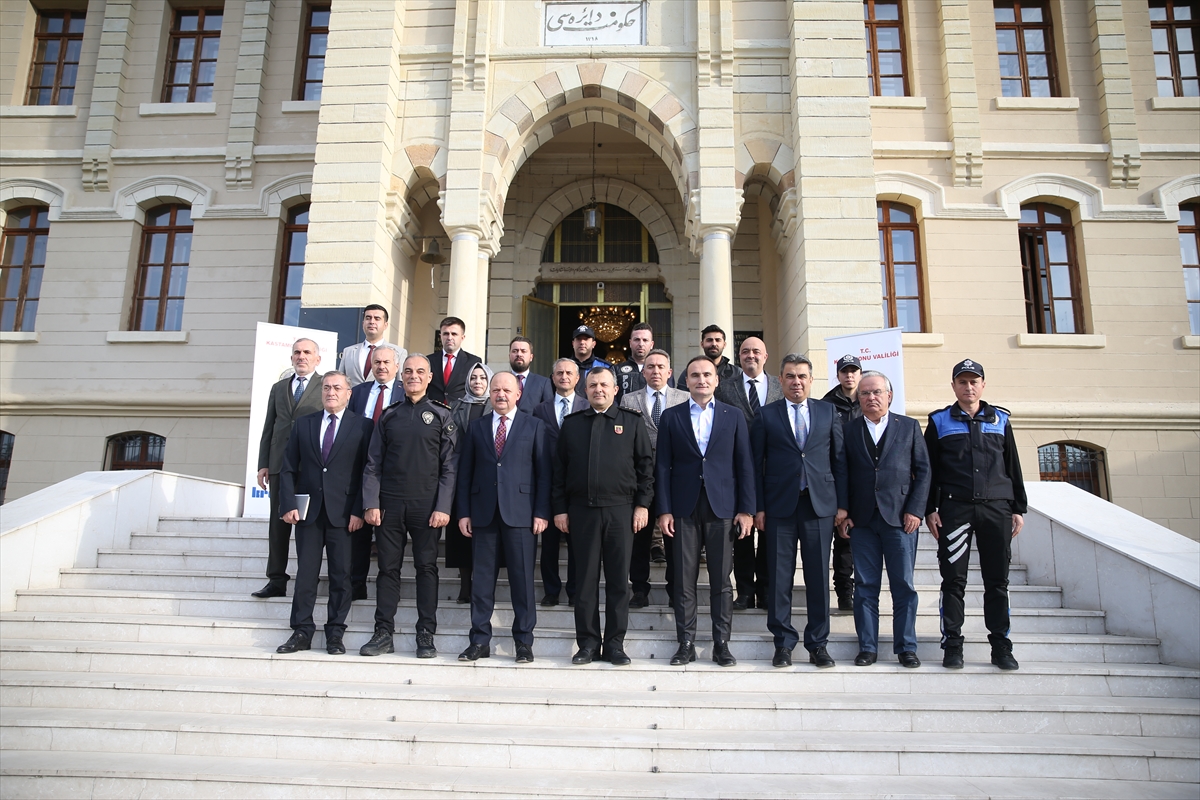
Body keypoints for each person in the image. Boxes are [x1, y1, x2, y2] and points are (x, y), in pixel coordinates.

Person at [925, 359, 1027, 671]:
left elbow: (1012, 466)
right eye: (962, 382)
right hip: (955, 511)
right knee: (953, 581)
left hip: (996, 510)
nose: (968, 387)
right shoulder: (939, 421)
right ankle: (952, 645)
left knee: (997, 581)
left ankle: (1001, 647)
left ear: (983, 385)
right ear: (953, 386)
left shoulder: (1000, 419)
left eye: (974, 382)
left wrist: (1018, 508)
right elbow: (928, 469)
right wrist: (929, 509)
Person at [655, 356, 755, 668]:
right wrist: (664, 510)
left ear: (716, 380)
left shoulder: (733, 415)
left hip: (722, 507)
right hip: (683, 508)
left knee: (721, 580)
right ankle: (685, 643)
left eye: (707, 375)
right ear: (686, 381)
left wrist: (747, 509)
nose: (701, 380)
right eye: (695, 375)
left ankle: (721, 643)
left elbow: (744, 465)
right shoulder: (671, 417)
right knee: (683, 579)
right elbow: (662, 466)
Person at [751, 354, 848, 669]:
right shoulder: (766, 415)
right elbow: (755, 465)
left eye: (802, 376)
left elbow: (840, 461)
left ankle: (818, 644)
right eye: (790, 376)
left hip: (819, 506)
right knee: (780, 578)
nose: (796, 382)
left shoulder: (828, 412)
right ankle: (783, 643)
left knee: (818, 577)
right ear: (781, 380)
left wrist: (842, 505)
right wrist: (758, 507)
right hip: (779, 507)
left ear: (811, 379)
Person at [552, 366, 654, 666]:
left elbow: (646, 469)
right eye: (593, 385)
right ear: (585, 390)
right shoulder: (572, 424)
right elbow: (559, 472)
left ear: (615, 390)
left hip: (621, 511)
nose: (598, 389)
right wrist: (560, 509)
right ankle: (587, 644)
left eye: (604, 385)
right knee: (584, 582)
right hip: (581, 512)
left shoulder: (632, 422)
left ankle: (614, 645)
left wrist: (642, 505)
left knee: (619, 582)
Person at [360, 354, 458, 658]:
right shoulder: (388, 415)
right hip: (389, 505)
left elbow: (450, 466)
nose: (413, 376)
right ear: (401, 378)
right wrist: (371, 502)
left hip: (427, 507)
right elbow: (373, 463)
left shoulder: (441, 415)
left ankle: (426, 633)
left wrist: (443, 506)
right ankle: (383, 632)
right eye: (408, 372)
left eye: (420, 371)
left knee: (426, 568)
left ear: (429, 378)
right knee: (387, 568)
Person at [274, 371, 373, 655]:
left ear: (348, 394)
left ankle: (335, 633)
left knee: (341, 576)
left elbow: (367, 471)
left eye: (337, 388)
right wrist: (288, 504)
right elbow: (289, 467)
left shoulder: (363, 426)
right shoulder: (304, 424)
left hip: (345, 515)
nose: (331, 392)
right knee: (306, 575)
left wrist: (359, 510)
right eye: (327, 387)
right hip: (310, 514)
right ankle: (301, 631)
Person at [456, 372, 551, 664]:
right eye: (496, 389)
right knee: (481, 582)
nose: (501, 394)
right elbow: (465, 473)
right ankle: (479, 640)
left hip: (521, 515)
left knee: (522, 582)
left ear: (518, 394)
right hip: (483, 515)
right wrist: (464, 512)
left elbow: (544, 473)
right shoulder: (476, 427)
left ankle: (523, 642)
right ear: (490, 393)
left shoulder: (534, 426)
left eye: (507, 390)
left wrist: (541, 512)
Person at [839, 370, 931, 669]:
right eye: (865, 393)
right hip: (862, 521)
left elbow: (924, 471)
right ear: (858, 398)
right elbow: (842, 472)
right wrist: (844, 511)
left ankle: (906, 648)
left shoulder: (909, 426)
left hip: (901, 520)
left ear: (889, 396)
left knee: (903, 586)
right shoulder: (848, 430)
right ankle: (867, 647)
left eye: (877, 392)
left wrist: (916, 510)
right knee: (865, 586)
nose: (871, 397)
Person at [714, 335, 782, 611]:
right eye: (744, 351)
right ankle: (744, 591)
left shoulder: (780, 385)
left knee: (768, 534)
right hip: (737, 470)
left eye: (756, 351)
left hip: (774, 472)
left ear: (765, 356)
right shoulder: (724, 388)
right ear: (739, 357)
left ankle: (765, 590)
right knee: (742, 533)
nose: (750, 355)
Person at [253, 338, 324, 599]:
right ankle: (276, 580)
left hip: (311, 465)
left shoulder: (325, 385)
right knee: (278, 524)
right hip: (280, 465)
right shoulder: (279, 387)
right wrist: (264, 463)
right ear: (291, 357)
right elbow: (269, 426)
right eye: (297, 352)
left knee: (310, 525)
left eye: (307, 352)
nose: (301, 356)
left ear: (317, 358)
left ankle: (307, 578)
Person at [619, 348, 688, 608]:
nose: (655, 371)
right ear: (643, 372)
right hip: (640, 478)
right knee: (640, 536)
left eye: (660, 367)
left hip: (675, 479)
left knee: (674, 537)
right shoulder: (629, 400)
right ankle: (639, 589)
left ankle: (675, 590)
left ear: (669, 372)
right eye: (650, 367)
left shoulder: (684, 398)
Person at [346, 342, 403, 600]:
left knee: (387, 531)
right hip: (359, 465)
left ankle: (388, 589)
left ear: (396, 366)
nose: (381, 367)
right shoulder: (357, 393)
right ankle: (357, 584)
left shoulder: (404, 391)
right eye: (376, 362)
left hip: (392, 469)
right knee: (358, 528)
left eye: (386, 362)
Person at [531, 358, 588, 606]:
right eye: (559, 373)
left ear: (577, 378)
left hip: (578, 484)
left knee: (577, 542)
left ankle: (575, 591)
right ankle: (551, 590)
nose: (564, 377)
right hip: (548, 481)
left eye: (569, 373)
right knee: (550, 542)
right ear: (553, 378)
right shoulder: (539, 409)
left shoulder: (587, 406)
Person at [447, 362, 494, 604]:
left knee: (485, 535)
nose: (477, 382)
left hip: (487, 477)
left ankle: (483, 587)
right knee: (462, 536)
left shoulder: (496, 405)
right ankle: (465, 587)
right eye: (473, 377)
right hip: (461, 476)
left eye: (482, 378)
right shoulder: (456, 406)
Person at [823, 354, 864, 613]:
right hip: (833, 481)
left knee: (851, 542)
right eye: (844, 371)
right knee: (839, 541)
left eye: (853, 371)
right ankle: (843, 593)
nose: (849, 375)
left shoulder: (868, 400)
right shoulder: (826, 404)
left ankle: (857, 591)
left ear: (860, 374)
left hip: (861, 482)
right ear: (838, 375)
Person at [338, 304, 406, 388]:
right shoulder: (348, 352)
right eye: (368, 318)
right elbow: (340, 382)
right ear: (363, 323)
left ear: (385, 325)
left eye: (377, 318)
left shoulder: (399, 352)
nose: (372, 322)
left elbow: (401, 384)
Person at [428, 316, 482, 404]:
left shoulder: (473, 361)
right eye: (446, 334)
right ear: (440, 336)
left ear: (462, 337)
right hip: (433, 409)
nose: (449, 338)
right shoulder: (428, 360)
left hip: (460, 409)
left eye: (454, 334)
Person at [613, 322, 674, 396]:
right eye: (637, 340)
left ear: (651, 344)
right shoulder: (616, 370)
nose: (641, 344)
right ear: (630, 343)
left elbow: (670, 396)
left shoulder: (663, 370)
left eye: (645, 340)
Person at [508, 336, 553, 412]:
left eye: (523, 351)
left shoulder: (543, 383)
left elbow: (548, 412)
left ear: (531, 357)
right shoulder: (501, 381)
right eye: (515, 351)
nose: (519, 354)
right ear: (509, 355)